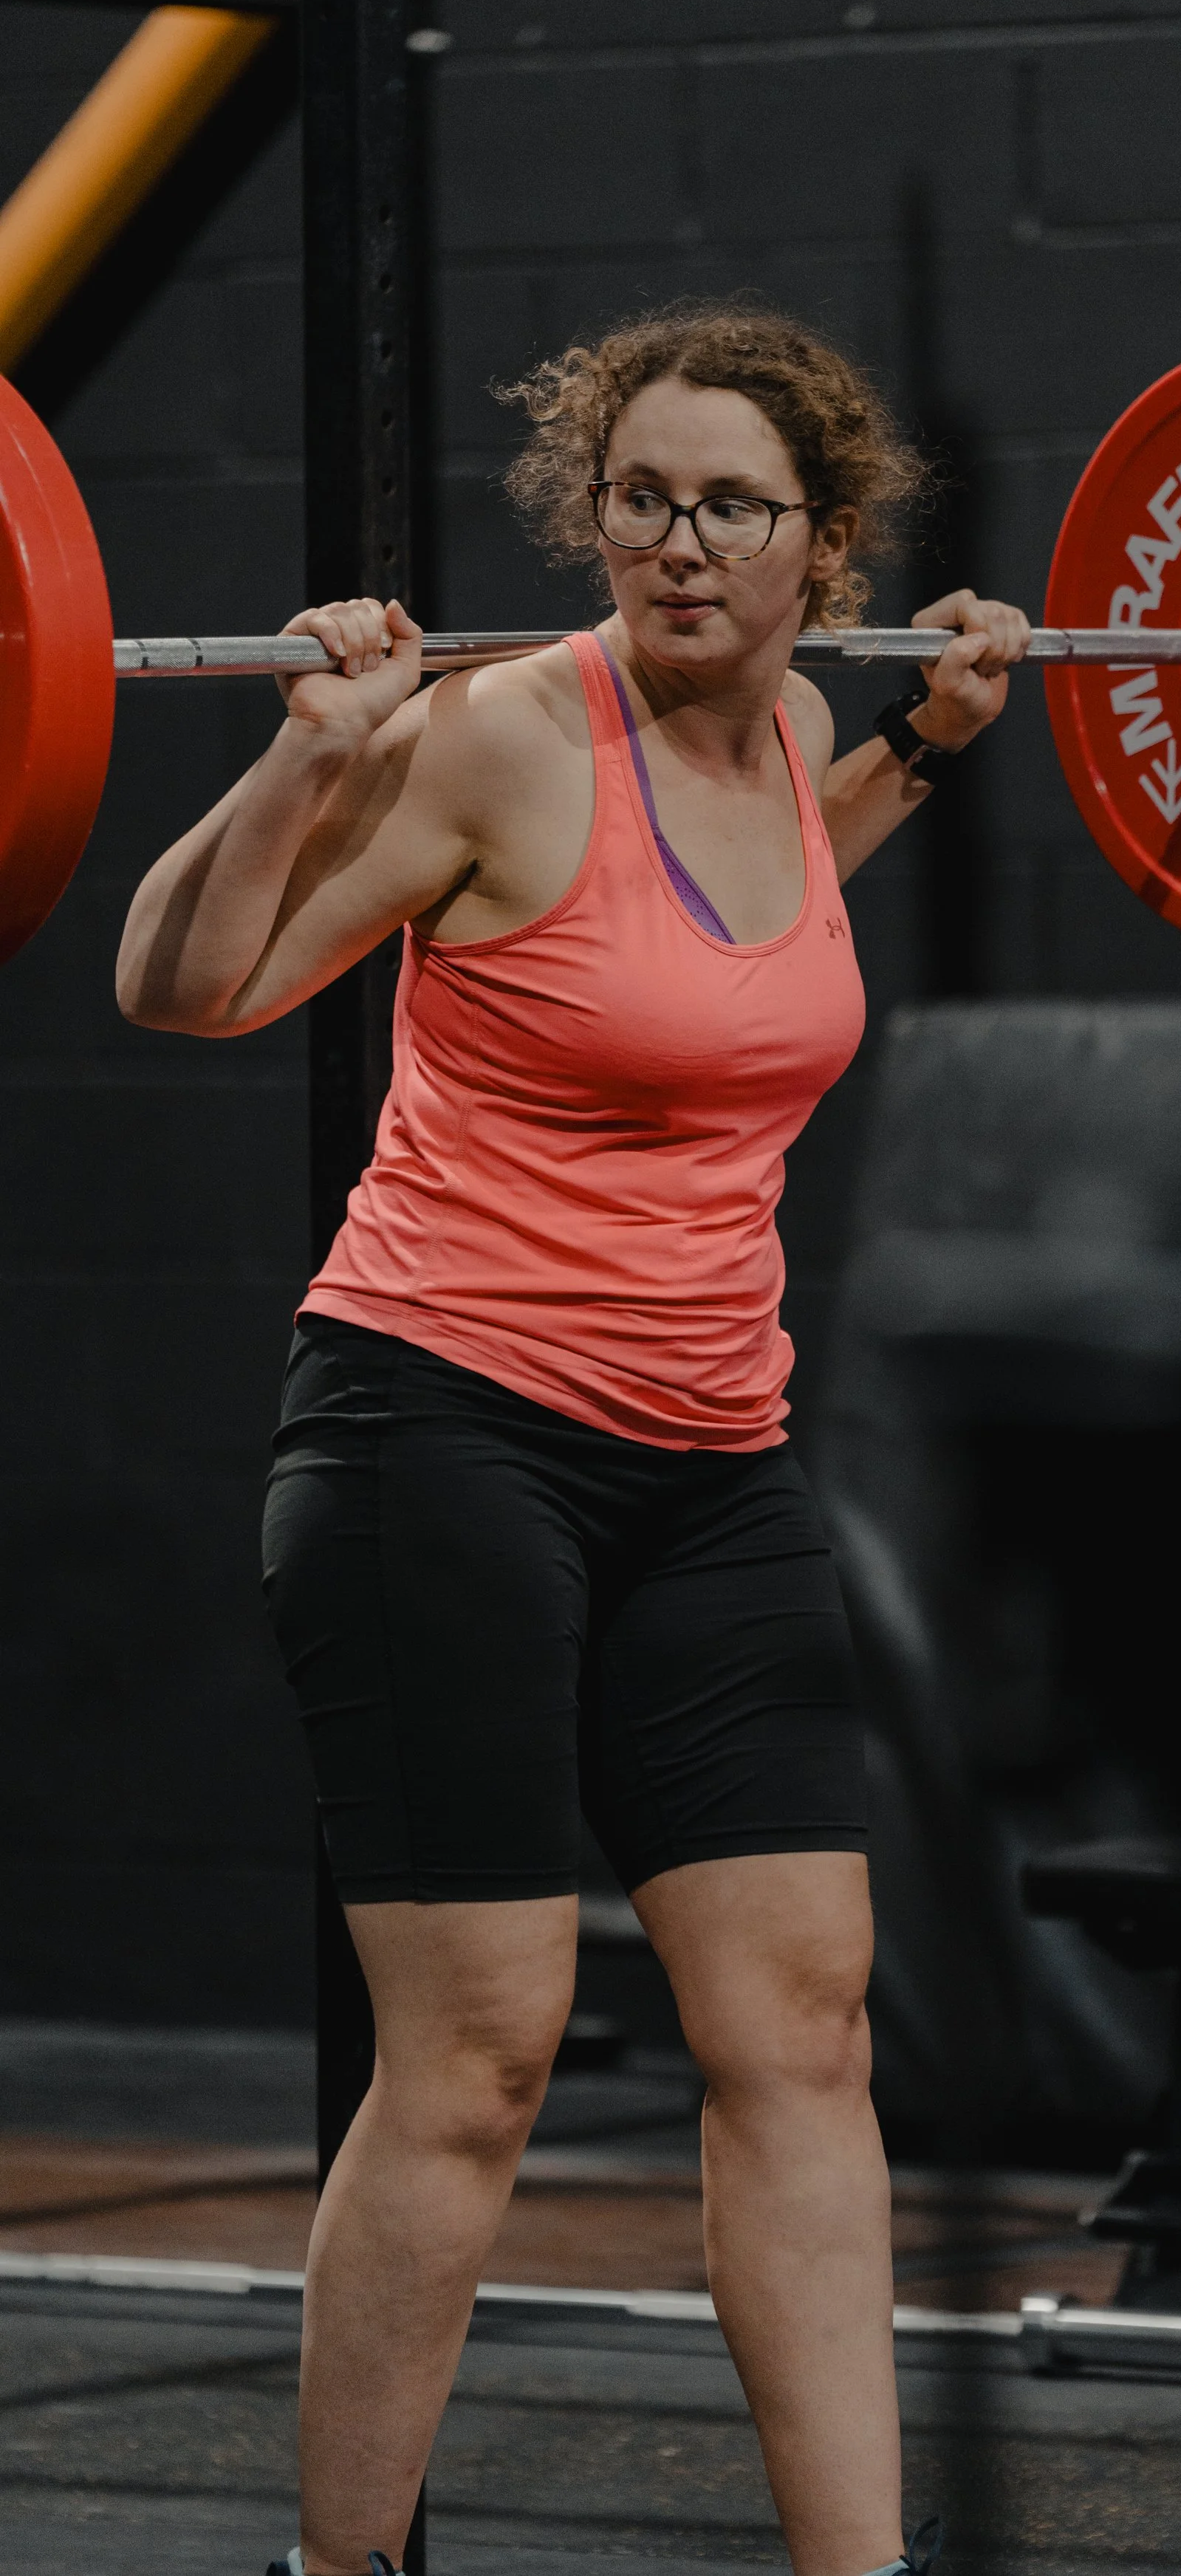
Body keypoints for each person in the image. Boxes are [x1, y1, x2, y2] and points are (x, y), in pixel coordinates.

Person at [116, 301, 1030, 2576]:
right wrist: (306, 761)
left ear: (821, 544)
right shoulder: (497, 740)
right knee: (482, 2054)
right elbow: (179, 985)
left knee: (801, 2026)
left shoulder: (797, 724)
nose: (677, 542)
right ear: (589, 514)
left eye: (730, 504)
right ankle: (342, 2571)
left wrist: (928, 741)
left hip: (711, 1464)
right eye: (639, 497)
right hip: (442, 1435)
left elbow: (724, 956)